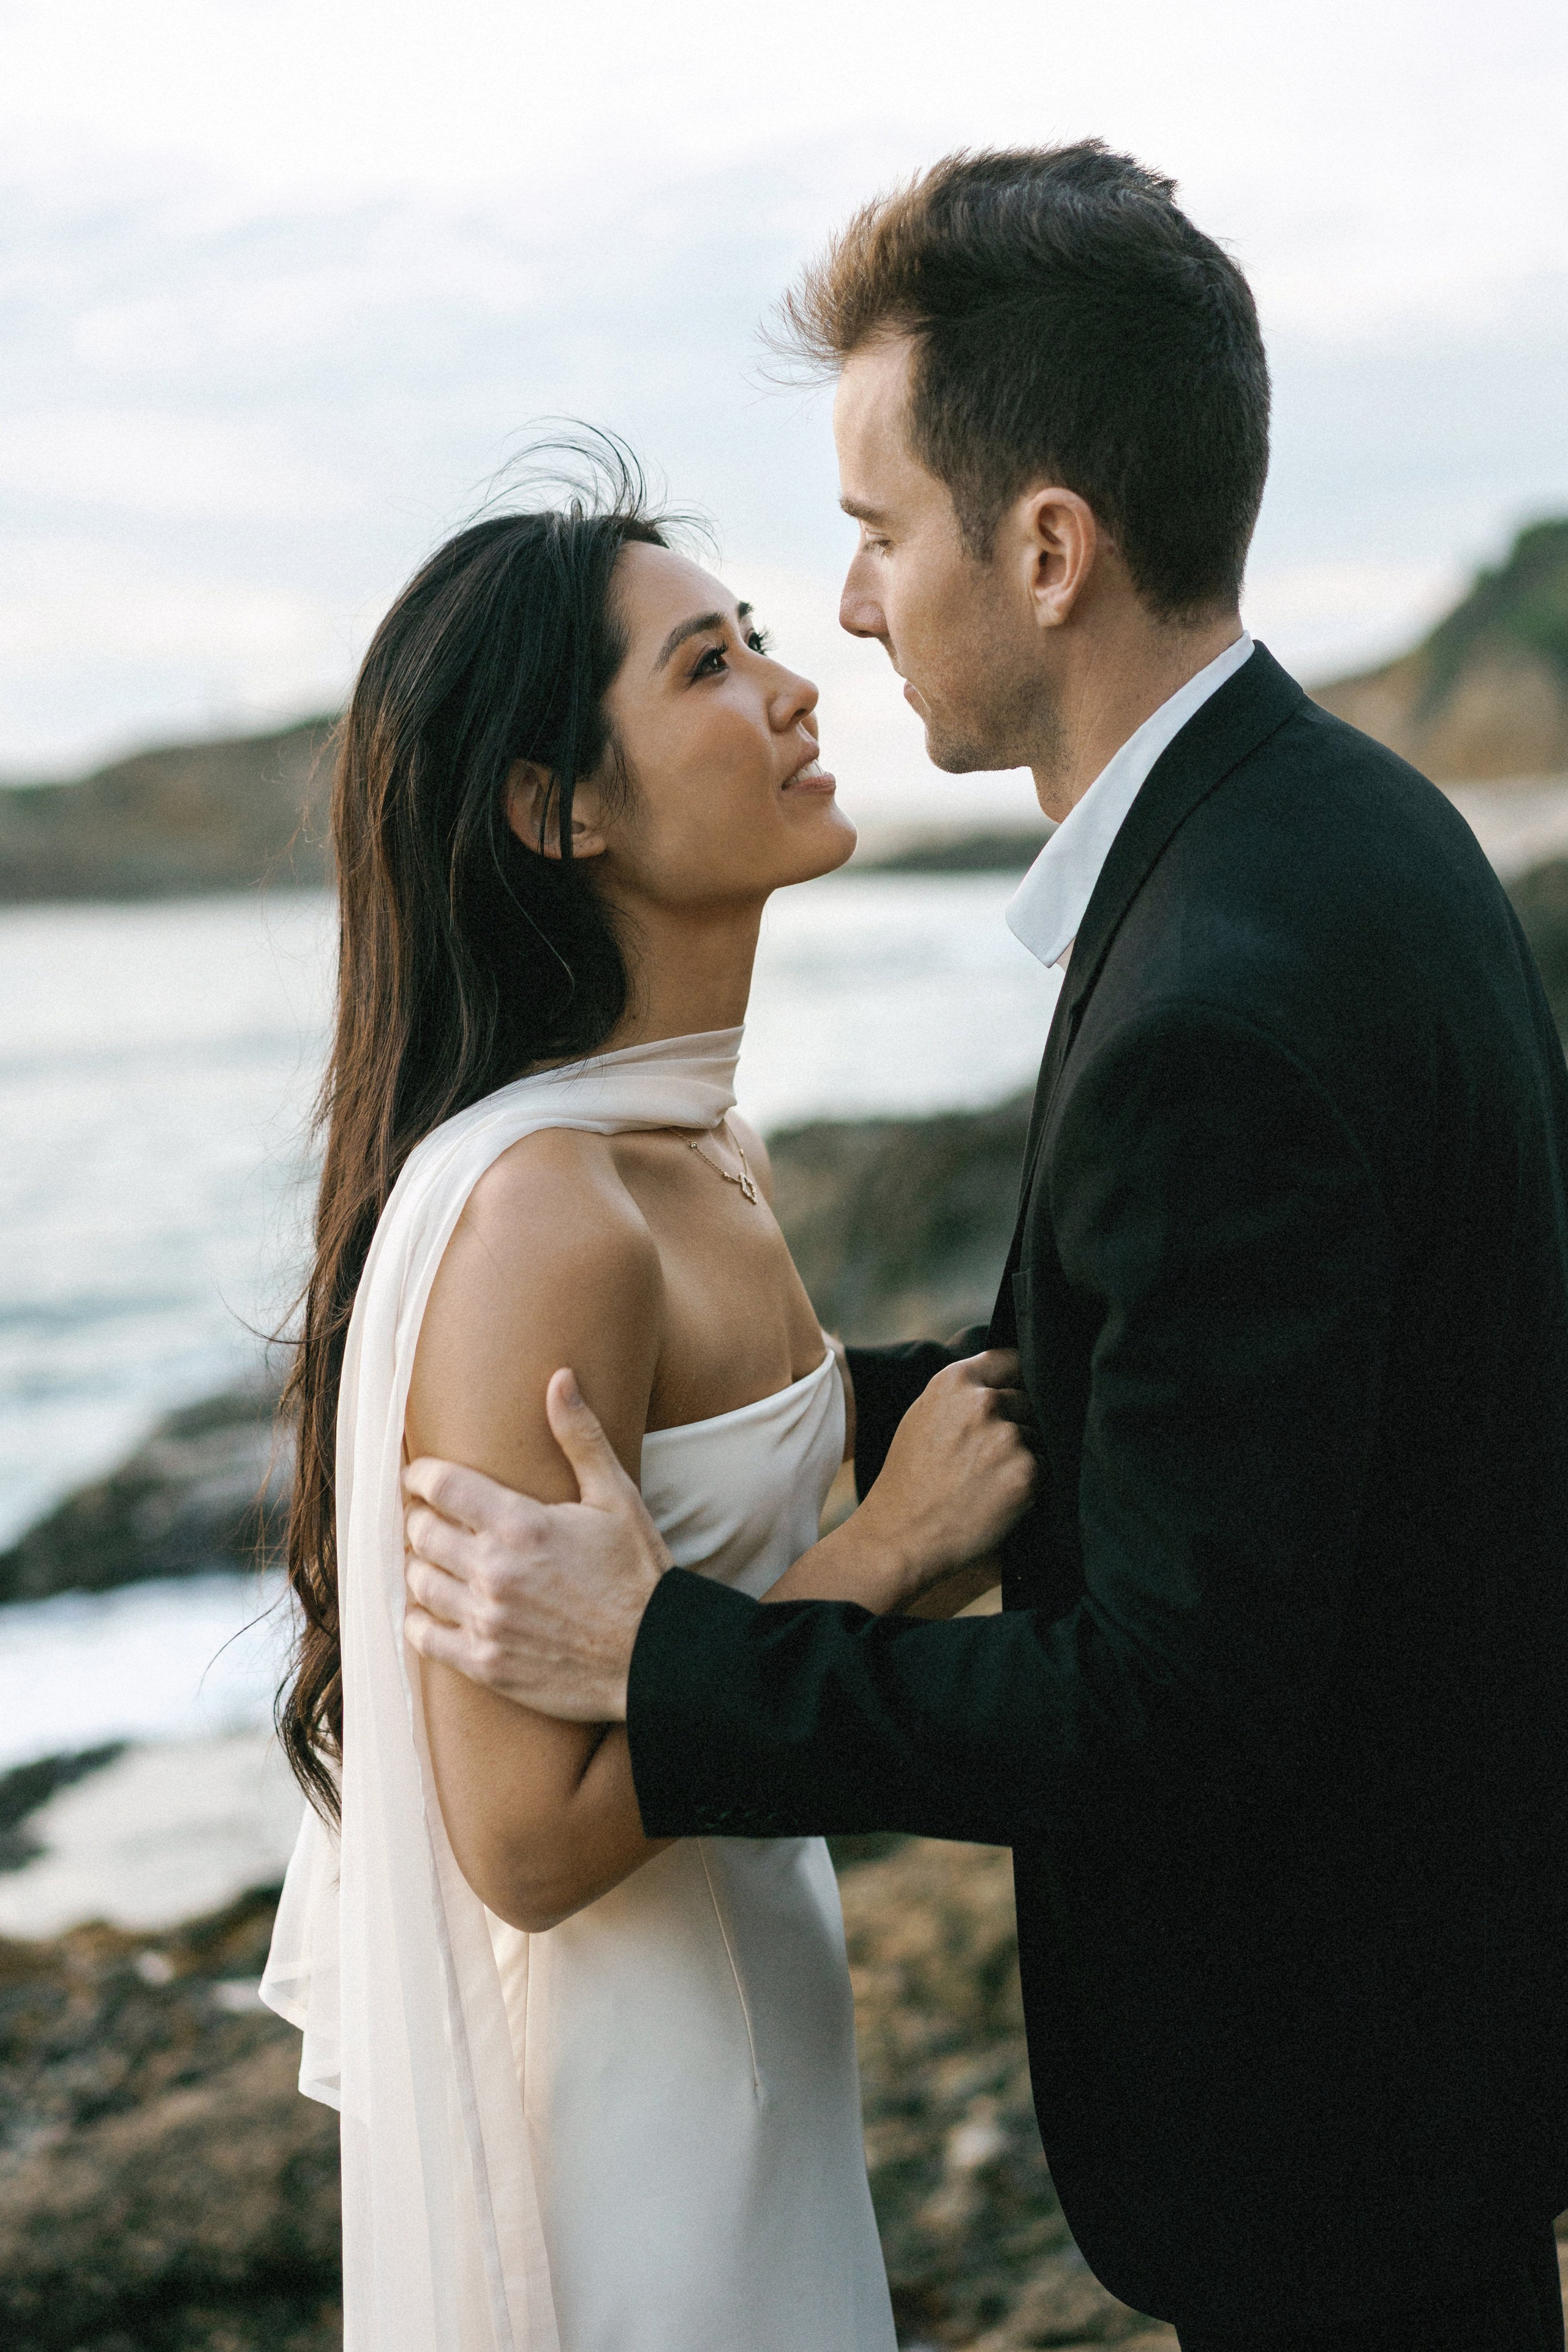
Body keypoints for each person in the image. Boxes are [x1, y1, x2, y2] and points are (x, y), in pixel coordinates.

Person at [402, 147, 1568, 2351]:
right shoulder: (1353, 834)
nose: (845, 613)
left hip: (1335, 2151)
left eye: (870, 535)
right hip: (1429, 2087)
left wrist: (669, 1657)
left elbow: (1170, 1710)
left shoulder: (1223, 984)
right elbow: (1195, 1387)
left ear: (1045, 549)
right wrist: (783, 1419)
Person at [258, 459, 1038, 2352]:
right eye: (707, 665)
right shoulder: (547, 1219)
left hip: (765, 2046)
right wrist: (894, 1549)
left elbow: (698, 1590)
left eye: (761, 640)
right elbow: (517, 1843)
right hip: (622, 2137)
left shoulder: (701, 1157)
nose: (789, 688)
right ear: (559, 809)